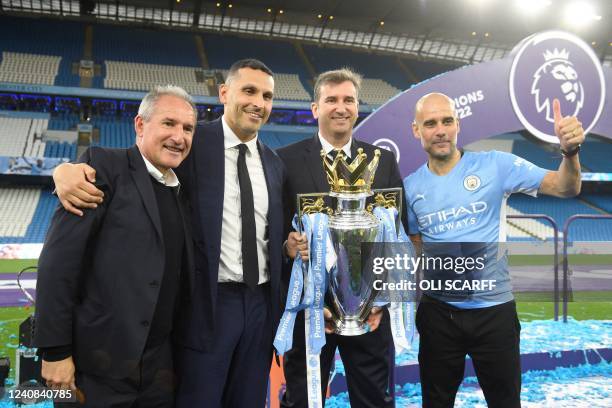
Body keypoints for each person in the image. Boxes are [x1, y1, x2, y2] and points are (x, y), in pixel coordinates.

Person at [51, 59, 286, 408]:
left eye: (267, 95)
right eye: (249, 90)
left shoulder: (274, 162)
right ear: (224, 93)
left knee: (249, 398)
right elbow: (135, 165)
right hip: (207, 303)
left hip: (261, 304)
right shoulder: (190, 141)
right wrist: (64, 170)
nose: (258, 102)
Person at [405, 92, 584, 407]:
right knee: (435, 401)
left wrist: (570, 152)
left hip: (494, 314)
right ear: (416, 130)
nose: (441, 130)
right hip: (438, 317)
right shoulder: (409, 187)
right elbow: (416, 243)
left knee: (505, 402)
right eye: (430, 123)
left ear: (458, 124)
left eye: (447, 121)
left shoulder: (495, 164)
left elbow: (565, 187)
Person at [34, 85, 197, 407]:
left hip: (159, 372)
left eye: (188, 128)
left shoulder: (181, 190)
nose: (179, 136)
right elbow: (58, 263)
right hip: (96, 368)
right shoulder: (102, 167)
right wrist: (55, 352)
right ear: (140, 125)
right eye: (169, 123)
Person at [278, 68, 406, 408]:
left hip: (369, 314)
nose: (341, 107)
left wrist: (380, 302)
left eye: (348, 99)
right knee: (302, 400)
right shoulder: (285, 161)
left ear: (357, 107)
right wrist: (287, 246)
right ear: (314, 108)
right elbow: (276, 232)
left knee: (374, 400)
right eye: (331, 99)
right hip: (309, 313)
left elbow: (396, 236)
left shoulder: (383, 161)